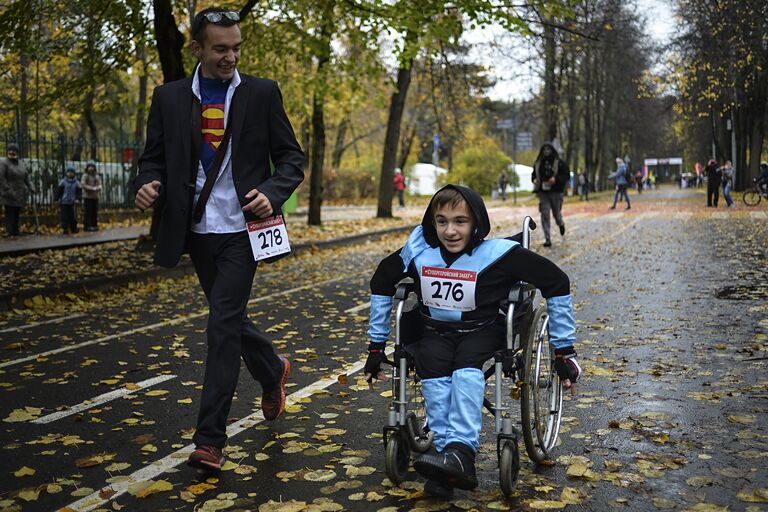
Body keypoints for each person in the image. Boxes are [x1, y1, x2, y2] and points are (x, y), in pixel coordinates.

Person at [133, 7, 305, 473]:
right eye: (220, 48)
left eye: (236, 48)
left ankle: (210, 440)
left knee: (221, 328)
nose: (230, 57)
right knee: (227, 320)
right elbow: (152, 160)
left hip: (244, 230)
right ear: (198, 48)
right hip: (196, 231)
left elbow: (291, 159)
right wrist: (146, 183)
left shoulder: (262, 93)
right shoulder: (168, 98)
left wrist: (272, 193)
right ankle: (272, 370)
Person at [363, 184, 581, 498]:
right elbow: (381, 280)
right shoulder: (419, 251)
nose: (450, 231)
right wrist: (375, 345)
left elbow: (556, 281)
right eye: (441, 221)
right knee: (434, 368)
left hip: (484, 332)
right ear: (432, 222)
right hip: (433, 330)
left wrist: (564, 350)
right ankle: (445, 456)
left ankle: (461, 453)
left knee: (465, 369)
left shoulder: (499, 255)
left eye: (460, 222)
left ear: (476, 221)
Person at [531, 142, 569, 247]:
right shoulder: (539, 163)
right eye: (544, 149)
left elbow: (566, 175)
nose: (546, 151)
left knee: (556, 214)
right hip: (543, 193)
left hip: (556, 192)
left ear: (552, 150)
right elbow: (534, 174)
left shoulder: (559, 163)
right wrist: (534, 179)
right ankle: (547, 238)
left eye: (548, 149)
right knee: (545, 214)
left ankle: (560, 223)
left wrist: (555, 179)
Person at [0, 144, 34, 236]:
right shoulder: (3, 163)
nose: (12, 152)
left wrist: (31, 186)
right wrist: (7, 189)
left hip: (20, 192)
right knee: (10, 212)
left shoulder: (21, 163)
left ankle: (15, 230)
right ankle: (9, 231)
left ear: (17, 152)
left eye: (14, 151)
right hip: (9, 192)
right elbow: (1, 178)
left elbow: (26, 177)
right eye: (10, 150)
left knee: (17, 212)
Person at [55, 166, 82, 234]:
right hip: (64, 202)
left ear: (74, 174)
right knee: (64, 216)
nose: (70, 174)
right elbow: (59, 191)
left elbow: (79, 192)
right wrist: (56, 199)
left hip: (73, 203)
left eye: (72, 172)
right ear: (66, 173)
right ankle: (65, 228)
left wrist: (78, 199)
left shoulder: (77, 183)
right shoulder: (63, 182)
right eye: (69, 172)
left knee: (73, 216)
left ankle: (73, 228)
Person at [81, 160, 102, 230]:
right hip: (88, 197)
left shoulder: (96, 176)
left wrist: (98, 188)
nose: (91, 168)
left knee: (94, 212)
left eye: (92, 167)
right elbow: (83, 184)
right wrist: (91, 188)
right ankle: (87, 225)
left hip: (95, 197)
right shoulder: (85, 175)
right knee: (88, 212)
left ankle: (94, 224)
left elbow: (100, 184)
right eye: (89, 166)